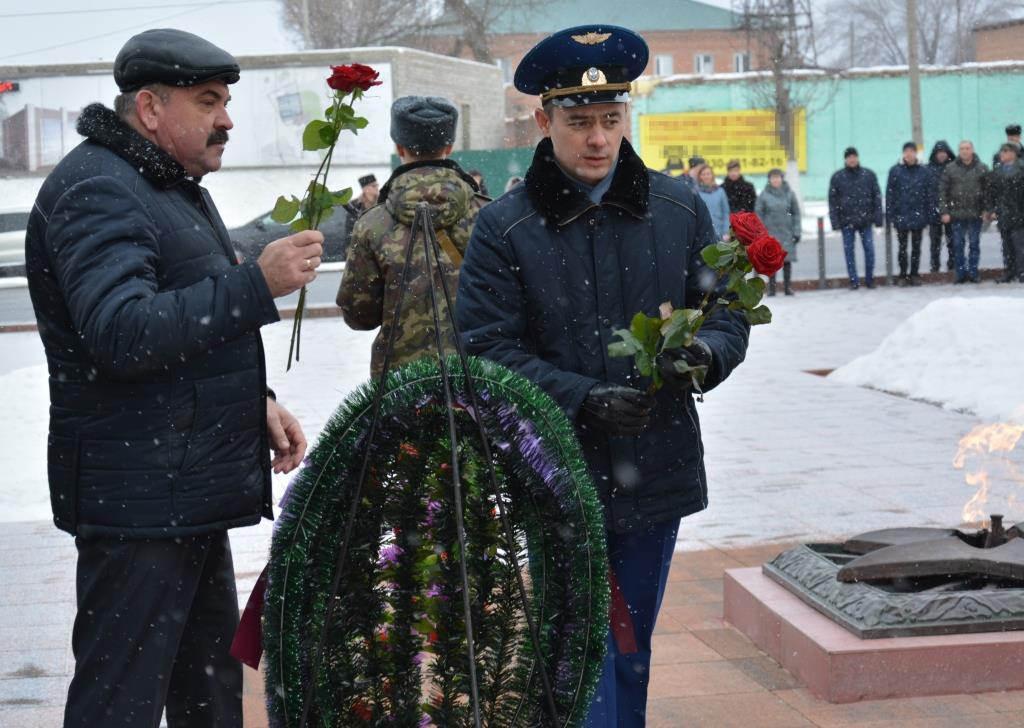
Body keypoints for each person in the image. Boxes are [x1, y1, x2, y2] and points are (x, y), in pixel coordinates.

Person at [23, 29, 320, 727]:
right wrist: (257, 285)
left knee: (210, 693)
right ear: (151, 109)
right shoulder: (100, 188)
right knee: (119, 700)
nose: (227, 118)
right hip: (139, 505)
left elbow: (179, 318)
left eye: (225, 101)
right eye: (208, 101)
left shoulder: (165, 184)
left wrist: (257, 401)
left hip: (180, 491)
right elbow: (123, 333)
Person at [456, 25, 749, 726]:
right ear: (543, 120)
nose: (596, 139)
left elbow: (727, 308)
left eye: (610, 120)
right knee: (580, 642)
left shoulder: (677, 208)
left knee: (630, 644)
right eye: (579, 121)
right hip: (556, 467)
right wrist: (582, 398)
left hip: (657, 462)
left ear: (628, 118)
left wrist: (705, 353)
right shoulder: (505, 227)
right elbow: (485, 348)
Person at [338, 96, 487, 376]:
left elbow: (359, 315)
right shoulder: (490, 215)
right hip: (481, 378)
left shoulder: (372, 224)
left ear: (399, 146)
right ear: (449, 147)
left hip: (403, 385)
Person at [829, 146, 883, 289]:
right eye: (849, 157)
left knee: (870, 250)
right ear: (845, 159)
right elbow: (832, 201)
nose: (852, 159)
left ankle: (870, 280)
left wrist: (878, 218)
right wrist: (835, 221)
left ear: (858, 158)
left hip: (866, 221)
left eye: (854, 156)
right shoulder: (837, 177)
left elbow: (876, 197)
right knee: (849, 252)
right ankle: (853, 281)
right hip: (847, 222)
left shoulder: (869, 175)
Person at [940, 140, 990, 283]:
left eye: (967, 148)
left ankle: (973, 273)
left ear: (972, 150)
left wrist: (986, 209)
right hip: (956, 215)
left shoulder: (982, 168)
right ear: (958, 151)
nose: (964, 151)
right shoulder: (950, 168)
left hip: (976, 214)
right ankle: (960, 274)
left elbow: (988, 191)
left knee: (974, 244)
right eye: (962, 148)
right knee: (957, 245)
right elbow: (943, 192)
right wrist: (944, 211)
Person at [886, 142, 931, 286]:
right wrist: (890, 214)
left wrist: (927, 213)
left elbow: (928, 194)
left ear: (916, 153)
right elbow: (890, 194)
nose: (909, 154)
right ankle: (902, 275)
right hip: (902, 214)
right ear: (903, 153)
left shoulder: (923, 171)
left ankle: (915, 274)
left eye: (911, 151)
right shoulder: (895, 171)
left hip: (919, 215)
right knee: (902, 248)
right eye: (906, 151)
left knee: (916, 247)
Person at [755, 168, 801, 296]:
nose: (775, 180)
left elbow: (796, 213)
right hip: (771, 233)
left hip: (787, 231)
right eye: (773, 178)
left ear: (782, 178)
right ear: (769, 180)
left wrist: (796, 231)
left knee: (787, 260)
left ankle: (787, 287)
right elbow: (759, 215)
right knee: (772, 262)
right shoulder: (763, 195)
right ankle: (772, 289)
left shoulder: (790, 194)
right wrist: (761, 234)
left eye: (778, 177)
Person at [988, 142, 1024, 282]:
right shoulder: (997, 171)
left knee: (1019, 245)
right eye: (1001, 151)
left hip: (1019, 212)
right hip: (1003, 213)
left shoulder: (1021, 169)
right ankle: (1009, 271)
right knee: (1007, 246)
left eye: (1005, 151)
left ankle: (1021, 272)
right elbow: (991, 193)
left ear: (1013, 153)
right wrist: (991, 209)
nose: (1001, 154)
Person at [926, 140, 955, 272]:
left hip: (951, 210)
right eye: (939, 153)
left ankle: (953, 264)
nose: (941, 155)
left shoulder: (953, 167)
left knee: (953, 240)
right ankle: (935, 265)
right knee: (935, 242)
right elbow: (925, 191)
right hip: (933, 210)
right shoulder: (928, 169)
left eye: (944, 152)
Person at [342, 173, 379, 258]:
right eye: (373, 186)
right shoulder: (354, 206)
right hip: (361, 249)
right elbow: (350, 232)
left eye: (377, 185)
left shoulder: (382, 203)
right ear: (365, 189)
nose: (377, 188)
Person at [695, 163, 731, 240]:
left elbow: (726, 213)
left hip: (720, 233)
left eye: (708, 174)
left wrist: (726, 231)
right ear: (700, 176)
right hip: (703, 234)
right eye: (703, 174)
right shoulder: (696, 193)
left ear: (712, 175)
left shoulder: (720, 191)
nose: (706, 176)